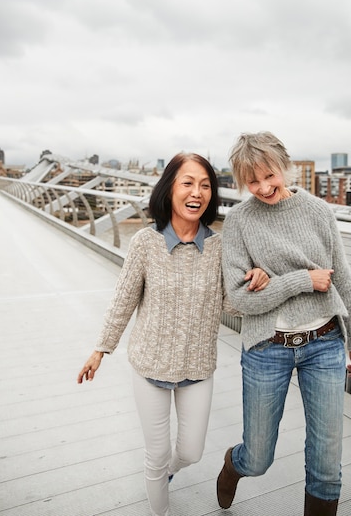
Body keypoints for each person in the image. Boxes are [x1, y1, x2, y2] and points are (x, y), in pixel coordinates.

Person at [78, 152, 238, 516]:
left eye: (205, 185)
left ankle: (168, 473)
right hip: (149, 366)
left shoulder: (219, 248)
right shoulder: (145, 244)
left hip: (197, 367)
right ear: (169, 189)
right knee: (155, 455)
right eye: (187, 183)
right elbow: (122, 301)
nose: (197, 192)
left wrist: (259, 281)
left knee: (190, 452)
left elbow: (232, 305)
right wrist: (100, 349)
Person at [216, 132, 351, 516]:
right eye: (252, 181)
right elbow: (239, 300)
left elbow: (342, 278)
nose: (263, 187)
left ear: (285, 166)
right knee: (259, 457)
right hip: (267, 347)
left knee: (327, 461)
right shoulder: (238, 222)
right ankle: (235, 464)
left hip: (325, 342)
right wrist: (302, 280)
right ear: (241, 181)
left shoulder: (318, 211)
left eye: (270, 175)